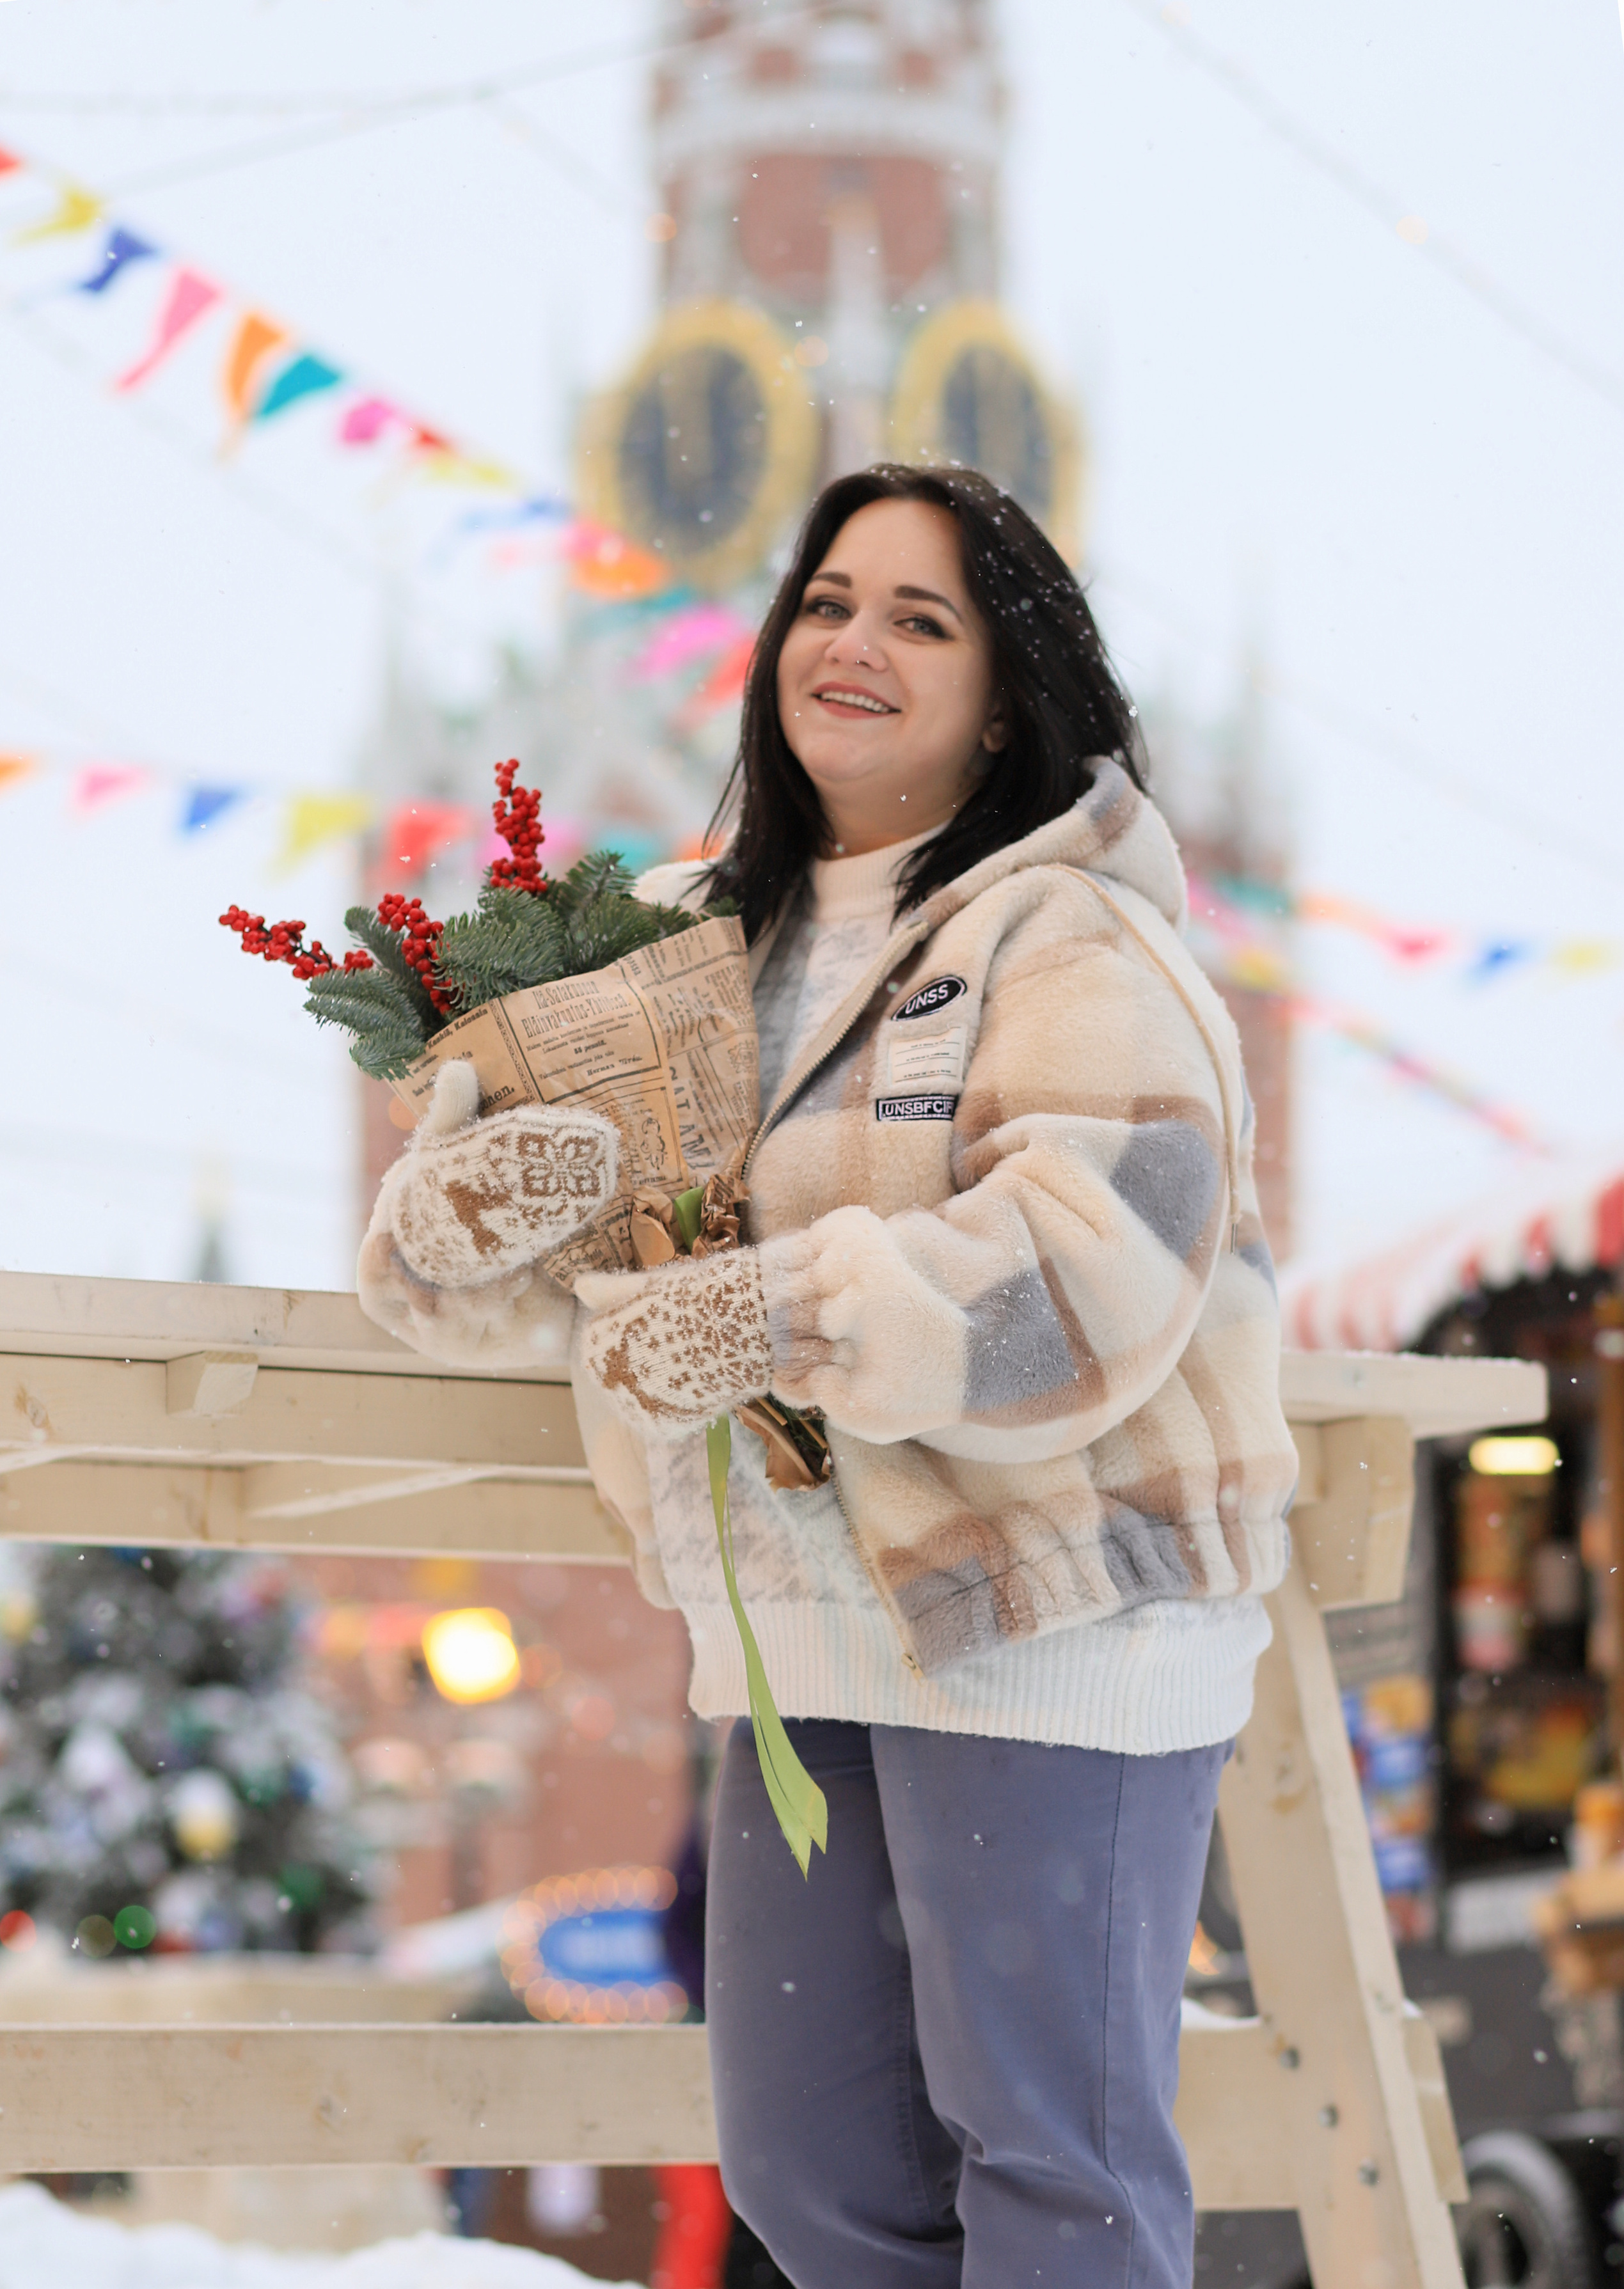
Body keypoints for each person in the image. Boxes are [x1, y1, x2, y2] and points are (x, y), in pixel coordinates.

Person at [359, 464, 1297, 2288]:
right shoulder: (678, 943)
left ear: (1009, 691)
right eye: (827, 601)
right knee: (812, 2175)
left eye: (921, 619)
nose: (852, 643)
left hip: (1055, 1607)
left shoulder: (1076, 936)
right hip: (802, 1627)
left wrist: (783, 1314)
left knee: (1054, 2169)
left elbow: (1100, 1268)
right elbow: (480, 1283)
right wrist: (479, 1208)